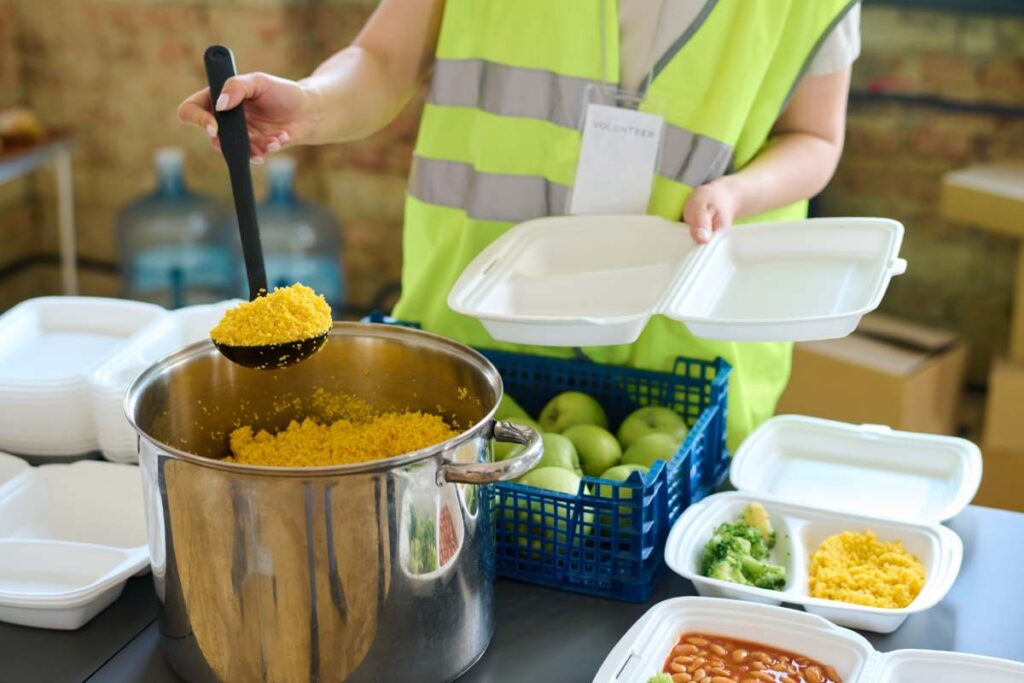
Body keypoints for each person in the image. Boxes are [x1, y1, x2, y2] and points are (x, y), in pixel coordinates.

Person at [179, 0, 862, 449]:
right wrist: (310, 105)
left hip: (678, 369)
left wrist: (741, 192)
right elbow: (383, 61)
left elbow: (815, 138)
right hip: (472, 347)